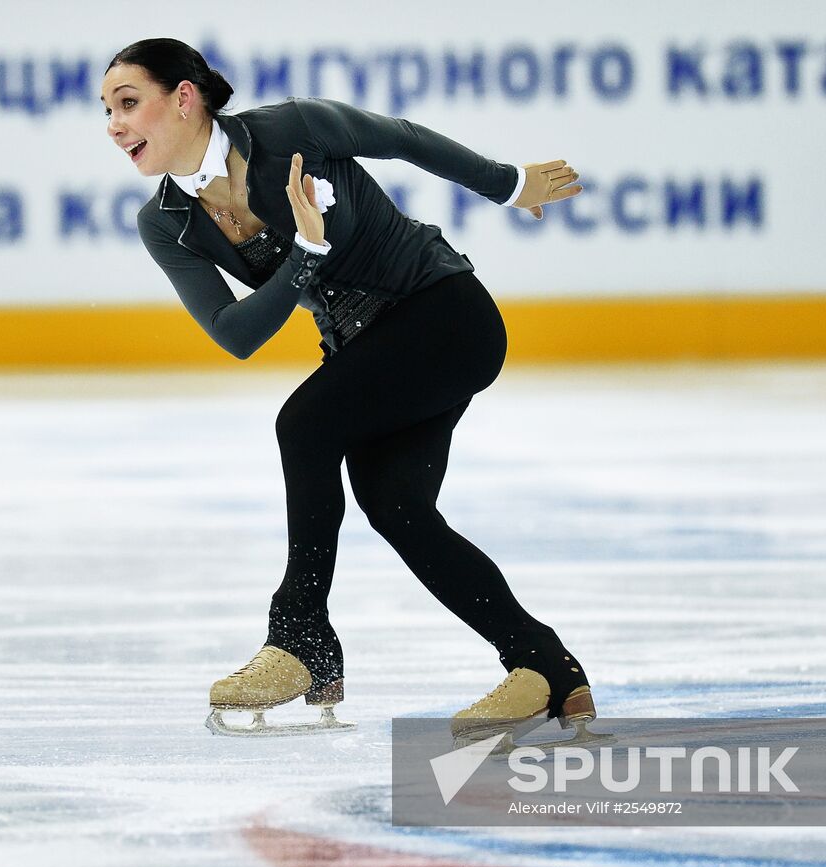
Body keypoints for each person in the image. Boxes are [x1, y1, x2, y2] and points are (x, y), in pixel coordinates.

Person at [102, 38, 595, 742]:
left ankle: (301, 636)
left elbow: (399, 138)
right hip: (370, 349)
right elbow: (237, 334)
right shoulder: (167, 222)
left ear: (184, 98)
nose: (115, 126)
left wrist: (508, 184)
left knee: (304, 426)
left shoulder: (291, 129)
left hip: (444, 313)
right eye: (107, 112)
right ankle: (547, 668)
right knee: (395, 504)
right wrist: (306, 254)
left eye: (128, 104)